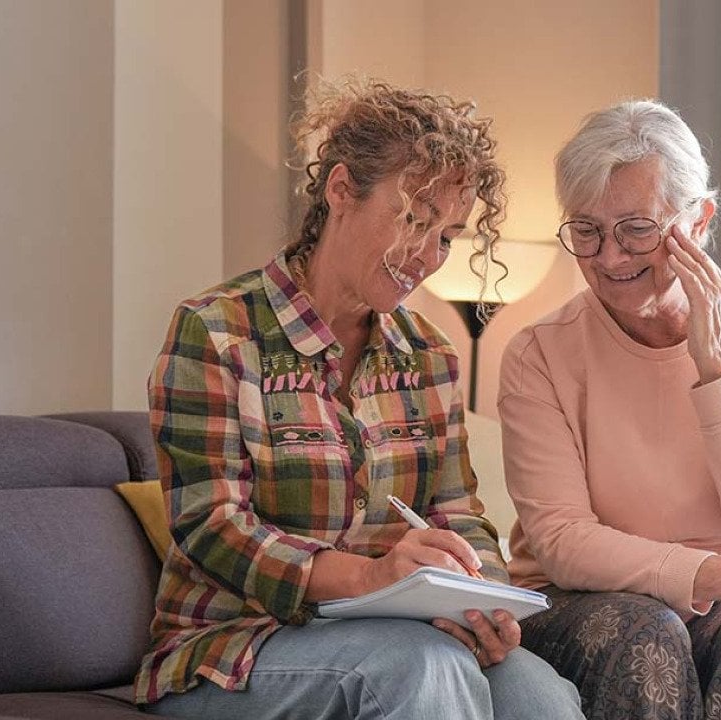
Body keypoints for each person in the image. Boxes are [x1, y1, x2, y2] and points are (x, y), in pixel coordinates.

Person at [136, 78, 583, 720]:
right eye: (412, 220)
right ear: (341, 190)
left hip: (393, 635)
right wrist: (369, 578)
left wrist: (479, 597)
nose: (428, 256)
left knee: (536, 693)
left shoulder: (428, 356)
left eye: (448, 236)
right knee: (420, 670)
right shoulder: (215, 332)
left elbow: (457, 512)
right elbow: (214, 527)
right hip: (230, 649)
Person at [498, 99, 721, 719]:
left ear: (699, 220)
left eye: (635, 228)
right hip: (584, 602)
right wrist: (719, 575)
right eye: (586, 230)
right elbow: (561, 541)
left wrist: (718, 371)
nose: (608, 258)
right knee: (646, 634)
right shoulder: (538, 354)